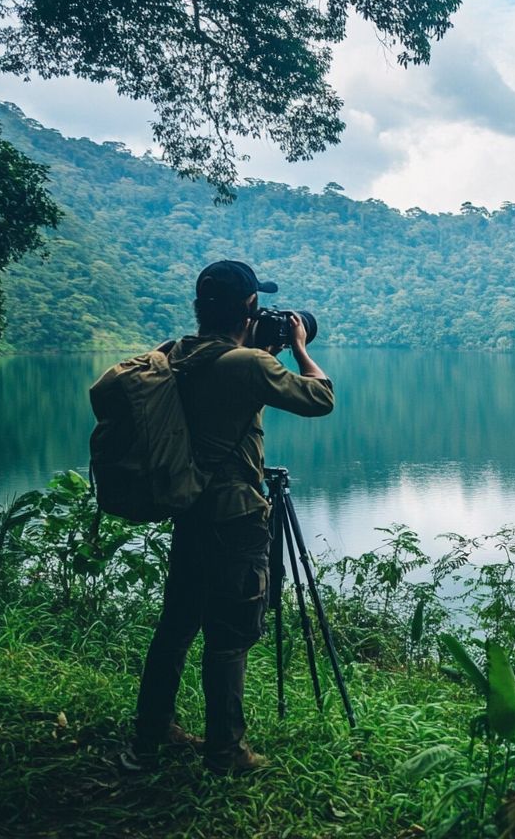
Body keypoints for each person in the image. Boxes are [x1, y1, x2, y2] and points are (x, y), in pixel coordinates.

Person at [120, 260, 334, 774]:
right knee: (229, 636)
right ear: (249, 308)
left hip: (188, 509)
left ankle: (150, 735)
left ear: (199, 307)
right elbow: (321, 398)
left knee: (176, 626)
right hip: (236, 519)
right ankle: (226, 750)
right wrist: (300, 348)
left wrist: (256, 350)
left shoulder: (176, 353)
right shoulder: (249, 366)